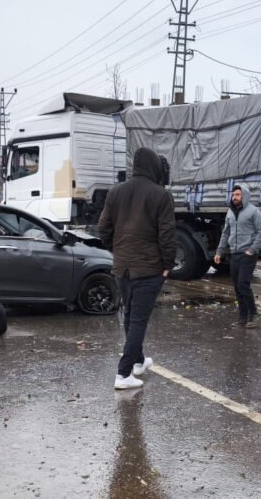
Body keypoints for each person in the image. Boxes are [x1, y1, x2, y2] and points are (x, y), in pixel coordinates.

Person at [98, 147, 176, 390]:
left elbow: (103, 229)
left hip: (123, 267)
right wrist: (167, 265)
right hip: (149, 268)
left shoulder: (115, 192)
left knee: (131, 315)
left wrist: (118, 250)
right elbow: (167, 234)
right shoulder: (161, 195)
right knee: (138, 320)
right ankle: (123, 374)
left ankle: (139, 361)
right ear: (154, 167)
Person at [214, 185, 261, 328]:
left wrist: (252, 249)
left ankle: (252, 315)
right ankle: (242, 317)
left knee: (243, 284)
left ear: (244, 196)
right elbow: (225, 233)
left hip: (248, 254)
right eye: (233, 195)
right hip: (234, 254)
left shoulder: (253, 212)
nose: (234, 197)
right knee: (237, 287)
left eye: (237, 194)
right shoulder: (230, 212)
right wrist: (219, 252)